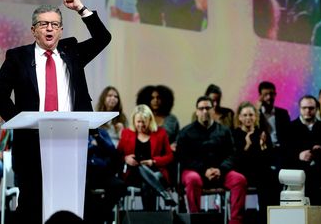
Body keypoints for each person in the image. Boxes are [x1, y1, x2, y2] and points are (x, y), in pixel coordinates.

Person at [0, 0, 111, 223]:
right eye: (44, 24)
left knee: (73, 205)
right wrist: (23, 121)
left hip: (70, 140)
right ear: (33, 29)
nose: (49, 28)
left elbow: (103, 37)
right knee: (32, 205)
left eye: (55, 24)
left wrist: (81, 9)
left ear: (61, 30)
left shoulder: (72, 52)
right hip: (31, 142)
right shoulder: (18, 57)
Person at [177, 96, 247, 224]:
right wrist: (204, 170)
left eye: (208, 108)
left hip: (220, 172)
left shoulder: (224, 131)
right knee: (192, 179)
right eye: (201, 108)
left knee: (239, 180)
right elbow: (184, 157)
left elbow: (232, 154)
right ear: (197, 111)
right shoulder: (186, 132)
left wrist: (220, 169)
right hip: (196, 172)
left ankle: (235, 221)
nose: (205, 111)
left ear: (213, 110)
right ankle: (195, 219)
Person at [284, 95, 321, 224]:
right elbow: (283, 154)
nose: (308, 111)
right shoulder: (290, 128)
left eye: (311, 108)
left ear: (316, 109)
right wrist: (298, 155)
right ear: (299, 109)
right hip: (298, 178)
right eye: (304, 108)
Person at [117, 104, 176, 210]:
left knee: (147, 184)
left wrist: (153, 162)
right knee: (139, 166)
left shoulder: (160, 133)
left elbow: (170, 156)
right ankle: (163, 194)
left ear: (150, 120)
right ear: (133, 121)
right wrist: (126, 159)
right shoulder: (126, 133)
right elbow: (117, 155)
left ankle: (148, 218)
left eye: (144, 122)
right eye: (138, 121)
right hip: (132, 174)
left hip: (156, 172)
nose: (141, 125)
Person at [232, 101, 279, 224]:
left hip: (261, 172)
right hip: (243, 173)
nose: (248, 118)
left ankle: (269, 218)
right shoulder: (234, 134)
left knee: (271, 177)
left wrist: (263, 146)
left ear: (256, 117)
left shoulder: (262, 134)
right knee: (263, 176)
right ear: (240, 117)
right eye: (245, 115)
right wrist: (247, 146)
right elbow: (236, 161)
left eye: (251, 115)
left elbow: (269, 159)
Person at [84, 128, 126, 224]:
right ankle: (92, 218)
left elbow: (111, 150)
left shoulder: (101, 132)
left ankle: (101, 215)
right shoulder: (76, 131)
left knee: (119, 185)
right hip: (85, 172)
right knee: (83, 189)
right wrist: (92, 147)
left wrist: (98, 138)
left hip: (102, 171)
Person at [257, 81, 291, 171]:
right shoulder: (256, 114)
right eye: (265, 94)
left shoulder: (283, 113)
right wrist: (257, 110)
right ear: (260, 96)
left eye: (272, 94)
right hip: (263, 151)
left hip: (281, 151)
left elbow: (289, 134)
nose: (269, 97)